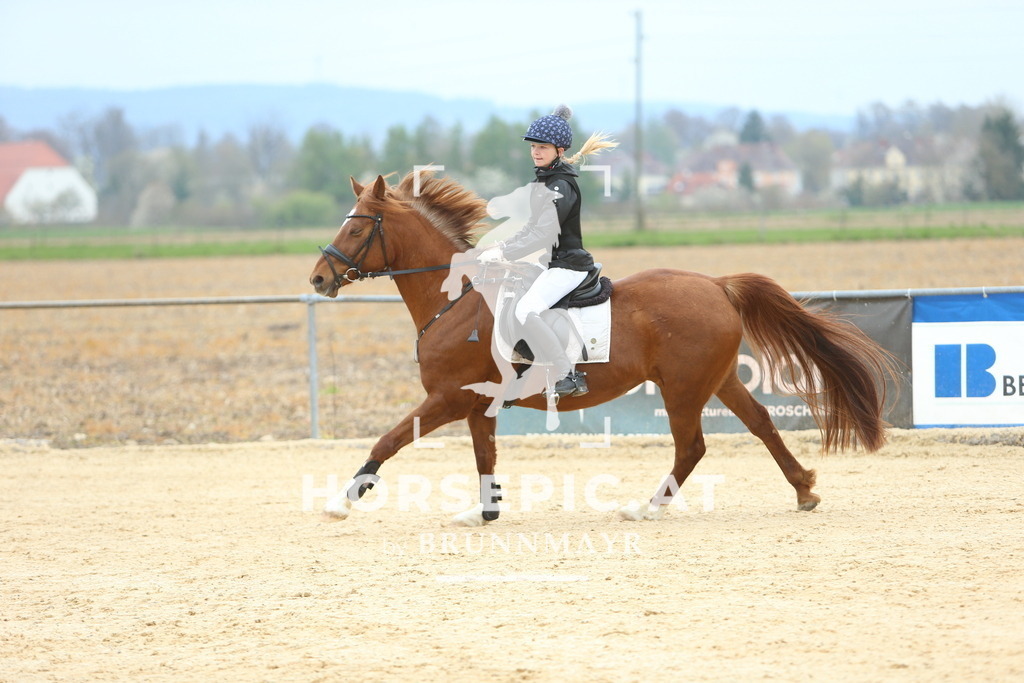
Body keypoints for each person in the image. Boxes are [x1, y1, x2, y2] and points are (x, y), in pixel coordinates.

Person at [478, 105, 616, 401]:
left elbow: (544, 233)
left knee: (526, 310)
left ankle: (568, 375)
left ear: (560, 150)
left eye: (542, 147)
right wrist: (501, 248)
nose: (536, 152)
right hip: (553, 263)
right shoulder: (546, 181)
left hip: (568, 266)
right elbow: (530, 228)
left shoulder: (561, 186)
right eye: (533, 147)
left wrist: (507, 252)